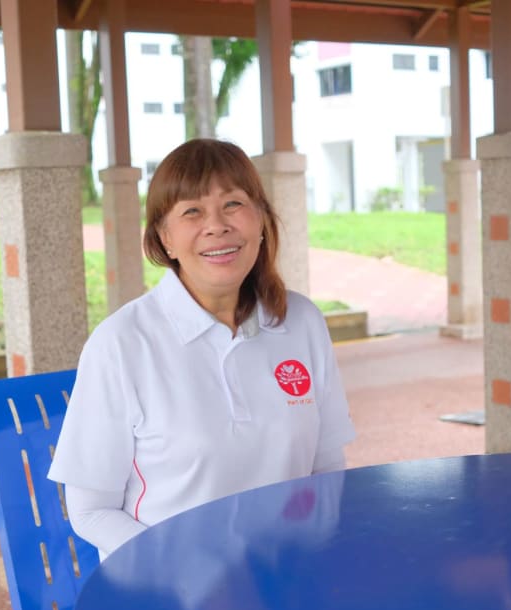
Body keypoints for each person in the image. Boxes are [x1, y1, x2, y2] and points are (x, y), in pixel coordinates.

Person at [47, 138, 355, 558]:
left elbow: (325, 468)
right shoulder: (121, 345)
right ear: (165, 238)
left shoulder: (301, 322)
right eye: (192, 211)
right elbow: (91, 511)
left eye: (233, 204)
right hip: (167, 588)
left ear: (261, 220)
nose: (217, 225)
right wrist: (187, 575)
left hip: (284, 575)